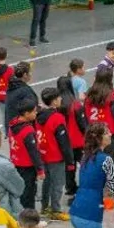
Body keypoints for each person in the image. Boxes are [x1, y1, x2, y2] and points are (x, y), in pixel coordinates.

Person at [71, 123, 114, 228]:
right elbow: (111, 188)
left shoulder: (85, 157)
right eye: (107, 133)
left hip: (76, 210)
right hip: (90, 214)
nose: (110, 134)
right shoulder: (106, 160)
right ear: (99, 138)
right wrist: (110, 210)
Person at [84, 68, 114, 176]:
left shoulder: (89, 93)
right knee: (111, 159)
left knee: (95, 158)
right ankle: (110, 186)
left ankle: (98, 181)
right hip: (108, 132)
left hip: (93, 130)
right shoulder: (112, 94)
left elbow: (85, 112)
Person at [37, 88, 72, 220]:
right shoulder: (57, 118)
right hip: (55, 156)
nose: (61, 99)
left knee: (47, 181)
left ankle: (45, 207)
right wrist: (70, 161)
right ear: (54, 101)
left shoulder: (38, 115)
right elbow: (64, 142)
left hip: (43, 154)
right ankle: (56, 210)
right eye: (58, 98)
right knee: (58, 184)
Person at [7, 100, 44, 211]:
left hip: (16, 162)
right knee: (29, 193)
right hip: (27, 166)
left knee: (21, 191)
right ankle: (30, 219)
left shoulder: (13, 123)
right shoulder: (27, 130)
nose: (36, 113)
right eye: (34, 112)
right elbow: (34, 152)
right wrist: (40, 170)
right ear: (26, 114)